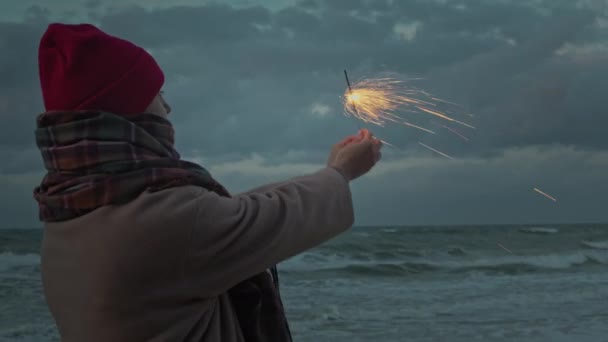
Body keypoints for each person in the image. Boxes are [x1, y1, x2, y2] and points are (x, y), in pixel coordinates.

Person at [33, 23, 382, 342]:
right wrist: (340, 173)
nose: (167, 108)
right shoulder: (170, 222)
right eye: (157, 95)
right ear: (130, 109)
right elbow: (256, 220)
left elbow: (221, 218)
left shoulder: (68, 215)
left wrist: (329, 172)